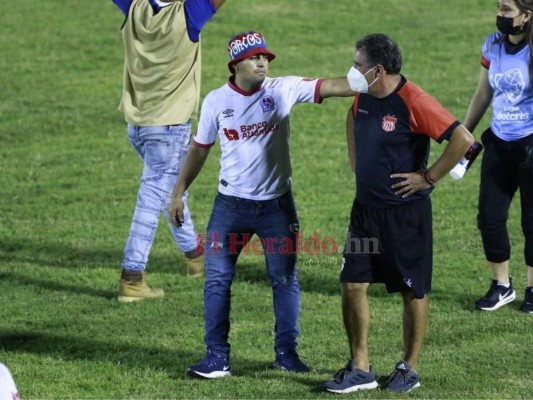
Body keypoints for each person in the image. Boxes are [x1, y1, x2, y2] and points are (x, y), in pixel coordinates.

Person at [169, 31, 367, 379]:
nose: (263, 62)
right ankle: (217, 358)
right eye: (254, 57)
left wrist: (371, 76)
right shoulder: (216, 101)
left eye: (265, 57)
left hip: (277, 208)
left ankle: (287, 354)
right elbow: (200, 148)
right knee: (217, 280)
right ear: (235, 64)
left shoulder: (282, 88)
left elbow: (333, 86)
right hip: (230, 208)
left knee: (285, 279)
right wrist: (178, 191)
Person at [323, 34, 474, 394]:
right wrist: (356, 161)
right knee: (352, 284)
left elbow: (463, 140)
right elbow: (352, 117)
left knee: (412, 292)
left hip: (405, 217)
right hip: (364, 215)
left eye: (359, 65)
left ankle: (409, 367)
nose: (353, 71)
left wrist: (428, 177)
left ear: (378, 70)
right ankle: (360, 367)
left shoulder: (414, 101)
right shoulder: (363, 96)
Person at [111, 0, 226, 302]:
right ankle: (132, 278)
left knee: (171, 192)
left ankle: (196, 257)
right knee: (151, 199)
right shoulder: (190, 13)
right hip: (169, 126)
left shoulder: (133, 5)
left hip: (137, 124)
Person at [463, 0, 533, 313]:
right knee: (489, 218)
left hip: (530, 146)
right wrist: (463, 134)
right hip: (499, 143)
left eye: (506, 10)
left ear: (526, 16)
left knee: (531, 223)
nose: (499, 15)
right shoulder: (493, 45)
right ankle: (501, 286)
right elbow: (483, 94)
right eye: (498, 9)